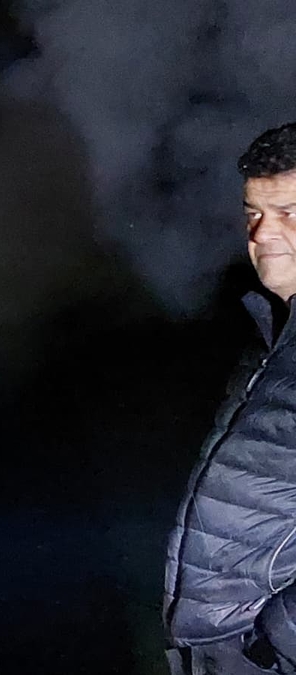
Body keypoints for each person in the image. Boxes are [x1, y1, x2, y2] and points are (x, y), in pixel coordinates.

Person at [164, 121, 296, 674]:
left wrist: (274, 640)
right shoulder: (274, 332)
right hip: (216, 646)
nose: (262, 233)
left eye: (288, 212)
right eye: (253, 214)